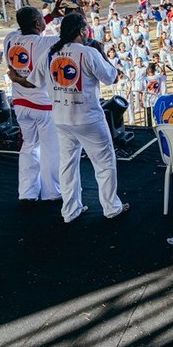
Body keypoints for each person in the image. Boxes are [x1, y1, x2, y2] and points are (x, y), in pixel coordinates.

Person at [28, 13, 129, 223]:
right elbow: (111, 77)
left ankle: (70, 210)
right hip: (88, 118)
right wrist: (102, 54)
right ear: (82, 31)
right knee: (104, 163)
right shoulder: (88, 53)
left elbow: (34, 81)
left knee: (68, 165)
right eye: (87, 29)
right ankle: (111, 207)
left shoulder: (49, 53)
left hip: (61, 119)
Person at [4, 7, 61, 202]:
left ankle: (27, 192)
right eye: (41, 19)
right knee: (50, 149)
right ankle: (52, 192)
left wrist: (51, 15)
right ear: (38, 24)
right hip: (43, 105)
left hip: (20, 103)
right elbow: (73, 37)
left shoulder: (10, 39)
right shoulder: (46, 42)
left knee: (28, 146)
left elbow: (27, 29)